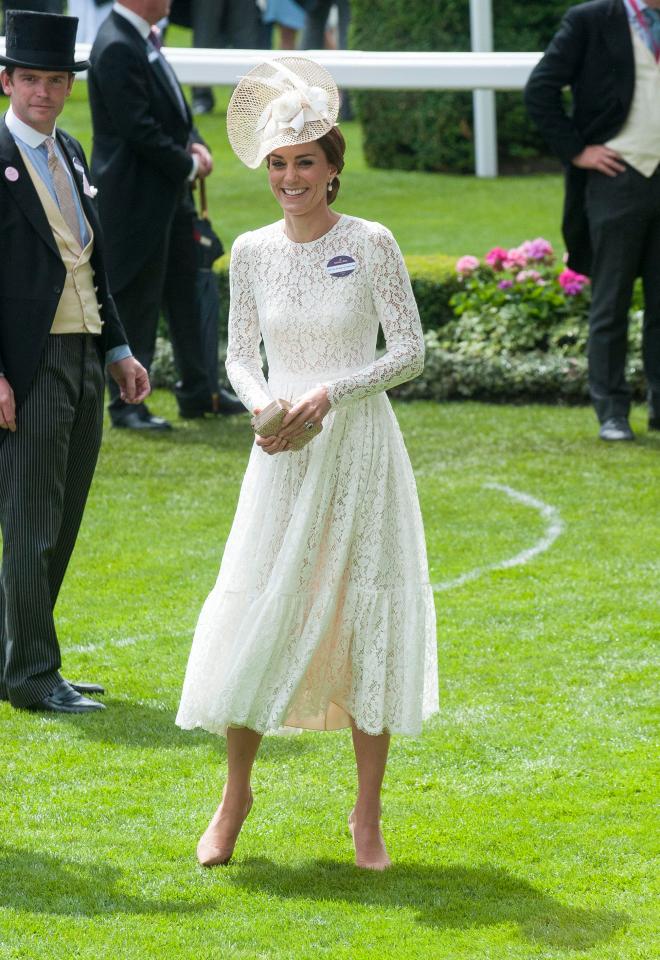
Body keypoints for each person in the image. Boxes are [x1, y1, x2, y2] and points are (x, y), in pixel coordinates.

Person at [176, 57, 439, 871]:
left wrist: (330, 394)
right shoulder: (251, 251)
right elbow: (239, 357)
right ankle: (235, 795)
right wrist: (264, 406)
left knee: (366, 611)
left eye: (306, 164)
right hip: (280, 451)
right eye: (280, 164)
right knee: (262, 604)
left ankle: (367, 814)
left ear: (332, 169)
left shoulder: (372, 243)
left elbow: (410, 352)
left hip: (358, 447)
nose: (291, 178)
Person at [0, 9, 150, 713]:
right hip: (27, 366)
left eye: (56, 80)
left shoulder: (72, 153)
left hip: (85, 356)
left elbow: (92, 261)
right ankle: (31, 676)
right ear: (7, 80)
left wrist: (117, 348)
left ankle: (20, 656)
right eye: (31, 78)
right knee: (30, 525)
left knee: (60, 520)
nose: (44, 92)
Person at [88, 0, 243, 430]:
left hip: (167, 196)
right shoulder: (118, 44)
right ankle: (127, 406)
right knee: (137, 301)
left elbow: (172, 112)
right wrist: (188, 163)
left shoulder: (140, 38)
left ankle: (200, 391)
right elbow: (137, 128)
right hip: (136, 201)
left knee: (187, 293)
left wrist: (194, 142)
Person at [525, 0, 660, 442]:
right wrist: (578, 151)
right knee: (611, 303)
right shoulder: (589, 19)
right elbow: (540, 88)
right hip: (616, 179)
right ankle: (613, 413)